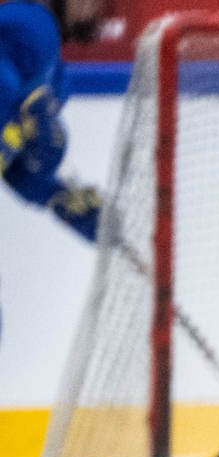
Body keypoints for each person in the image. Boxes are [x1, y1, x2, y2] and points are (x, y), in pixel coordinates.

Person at [2, 0, 104, 313]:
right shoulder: (28, 22)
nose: (97, 7)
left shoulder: (57, 77)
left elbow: (19, 172)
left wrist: (60, 197)